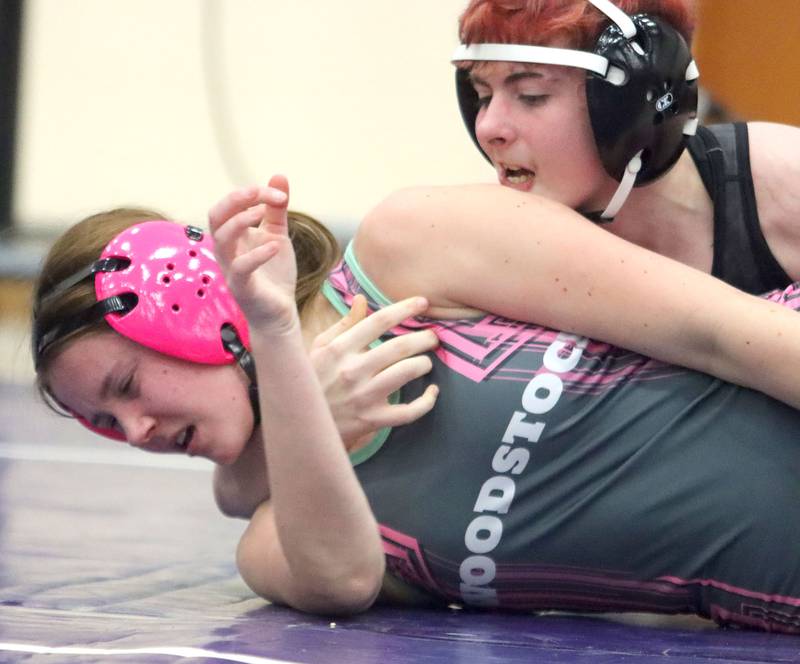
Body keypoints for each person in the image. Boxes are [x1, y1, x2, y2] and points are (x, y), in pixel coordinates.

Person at [32, 177, 800, 633]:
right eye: (105, 424)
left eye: (125, 387)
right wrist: (279, 347)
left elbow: (721, 332)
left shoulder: (408, 249)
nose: (137, 431)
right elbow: (342, 583)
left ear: (187, 308)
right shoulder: (275, 535)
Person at [451, 0, 800, 294]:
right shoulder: (484, 251)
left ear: (637, 103)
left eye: (531, 96)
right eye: (482, 97)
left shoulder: (782, 180)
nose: (487, 127)